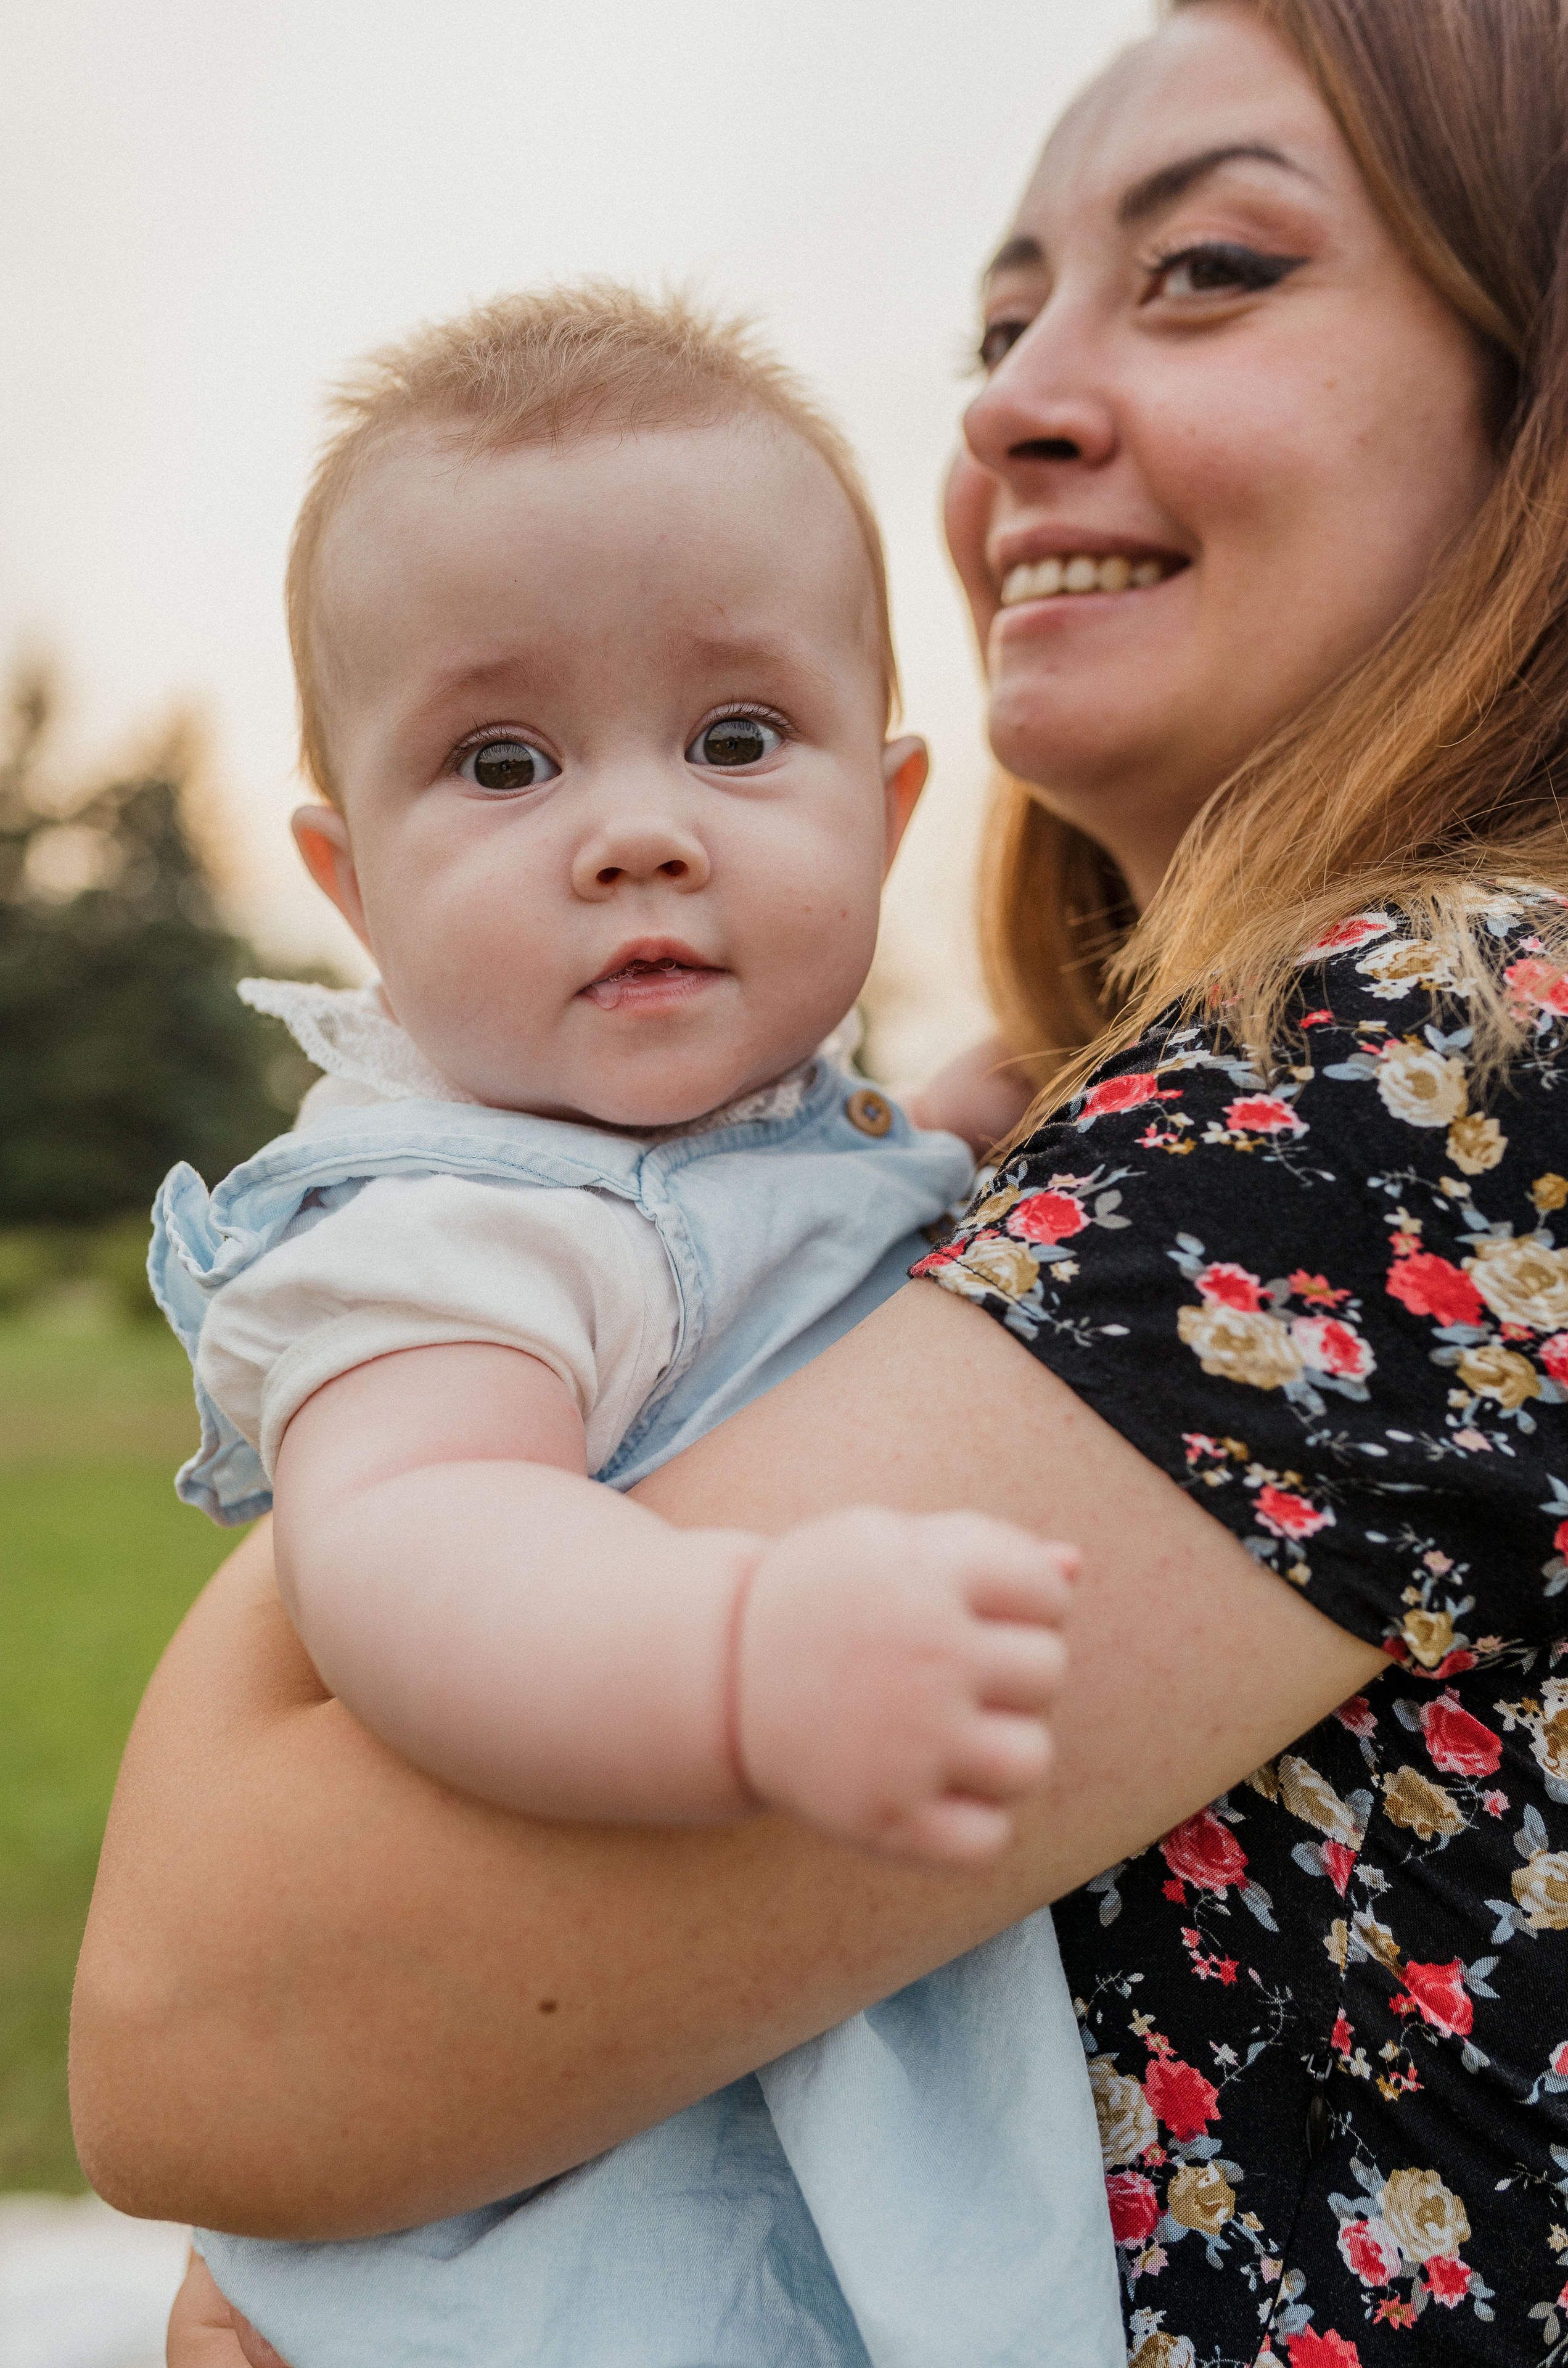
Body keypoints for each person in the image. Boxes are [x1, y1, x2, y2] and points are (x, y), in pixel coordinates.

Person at [73, 0, 1568, 2359]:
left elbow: (215, 2022)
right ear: (344, 880)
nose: (1008, 403)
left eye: (1206, 271)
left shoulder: (1457, 1053)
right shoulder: (529, 1210)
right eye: (1000, 320)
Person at [147, 282, 1115, 2366]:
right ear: (349, 883)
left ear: (890, 799)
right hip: (571, 2248)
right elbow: (416, 1547)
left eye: (740, 738)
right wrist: (736, 1659)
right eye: (504, 762)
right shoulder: (455, 1232)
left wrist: (957, 1133)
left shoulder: (757, 1146)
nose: (641, 827)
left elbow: (789, 1241)